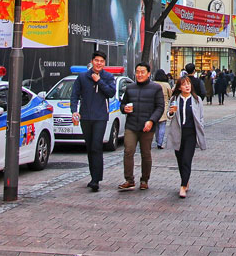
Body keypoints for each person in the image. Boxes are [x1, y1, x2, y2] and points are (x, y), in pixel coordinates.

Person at [70, 51, 117, 191]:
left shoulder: (108, 77)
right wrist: (74, 110)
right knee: (90, 147)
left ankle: (96, 180)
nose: (99, 63)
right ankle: (93, 177)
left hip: (100, 117)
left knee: (97, 146)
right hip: (85, 116)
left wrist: (99, 81)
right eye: (96, 60)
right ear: (92, 61)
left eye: (102, 61)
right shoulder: (83, 77)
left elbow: (111, 92)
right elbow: (75, 95)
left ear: (104, 63)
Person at [118, 63, 165, 191]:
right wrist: (124, 108)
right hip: (131, 125)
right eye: (137, 72)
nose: (139, 74)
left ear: (149, 73)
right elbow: (122, 105)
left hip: (147, 127)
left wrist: (151, 121)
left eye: (142, 72)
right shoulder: (130, 88)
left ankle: (144, 179)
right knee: (128, 151)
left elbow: (160, 107)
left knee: (146, 153)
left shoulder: (156, 88)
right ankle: (129, 180)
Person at [167, 75, 205, 199]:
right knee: (180, 159)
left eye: (188, 84)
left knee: (186, 159)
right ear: (179, 87)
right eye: (184, 84)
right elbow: (169, 115)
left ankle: (183, 186)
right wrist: (171, 112)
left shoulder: (196, 99)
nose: (187, 86)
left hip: (191, 133)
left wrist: (201, 129)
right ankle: (185, 179)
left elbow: (201, 117)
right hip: (178, 132)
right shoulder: (175, 98)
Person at [153, 69, 173, 149]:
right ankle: (160, 142)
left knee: (156, 125)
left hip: (154, 106)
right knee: (162, 125)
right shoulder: (166, 85)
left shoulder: (153, 84)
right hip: (164, 106)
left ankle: (157, 140)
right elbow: (170, 95)